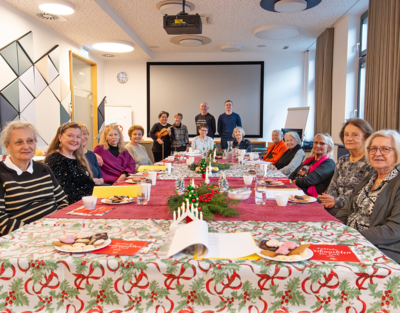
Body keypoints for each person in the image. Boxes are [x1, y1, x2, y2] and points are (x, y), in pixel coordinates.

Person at [336, 130, 400, 263]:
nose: (377, 153)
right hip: (351, 240)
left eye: (385, 149)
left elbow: (395, 230)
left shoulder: (397, 183)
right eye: (373, 149)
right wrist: (335, 228)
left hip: (380, 247)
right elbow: (347, 210)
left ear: (397, 152)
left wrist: (353, 236)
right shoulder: (370, 177)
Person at [0, 121, 68, 235]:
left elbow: (62, 200)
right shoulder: (2, 174)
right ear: (7, 146)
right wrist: (37, 231)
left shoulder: (43, 168)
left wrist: (58, 224)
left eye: (30, 141)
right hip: (25, 236)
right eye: (18, 142)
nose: (26, 146)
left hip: (55, 230)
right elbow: (1, 220)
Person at [320, 119, 374, 216]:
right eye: (346, 135)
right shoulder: (342, 160)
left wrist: (336, 201)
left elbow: (363, 194)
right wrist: (330, 199)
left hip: (353, 209)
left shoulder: (371, 162)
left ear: (366, 138)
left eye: (355, 135)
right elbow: (333, 186)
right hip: (333, 205)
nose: (349, 138)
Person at [45, 122, 95, 204]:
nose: (75, 140)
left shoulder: (79, 158)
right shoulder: (54, 159)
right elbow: (64, 192)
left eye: (78, 137)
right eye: (70, 136)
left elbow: (89, 184)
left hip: (86, 202)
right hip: (68, 206)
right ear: (60, 137)